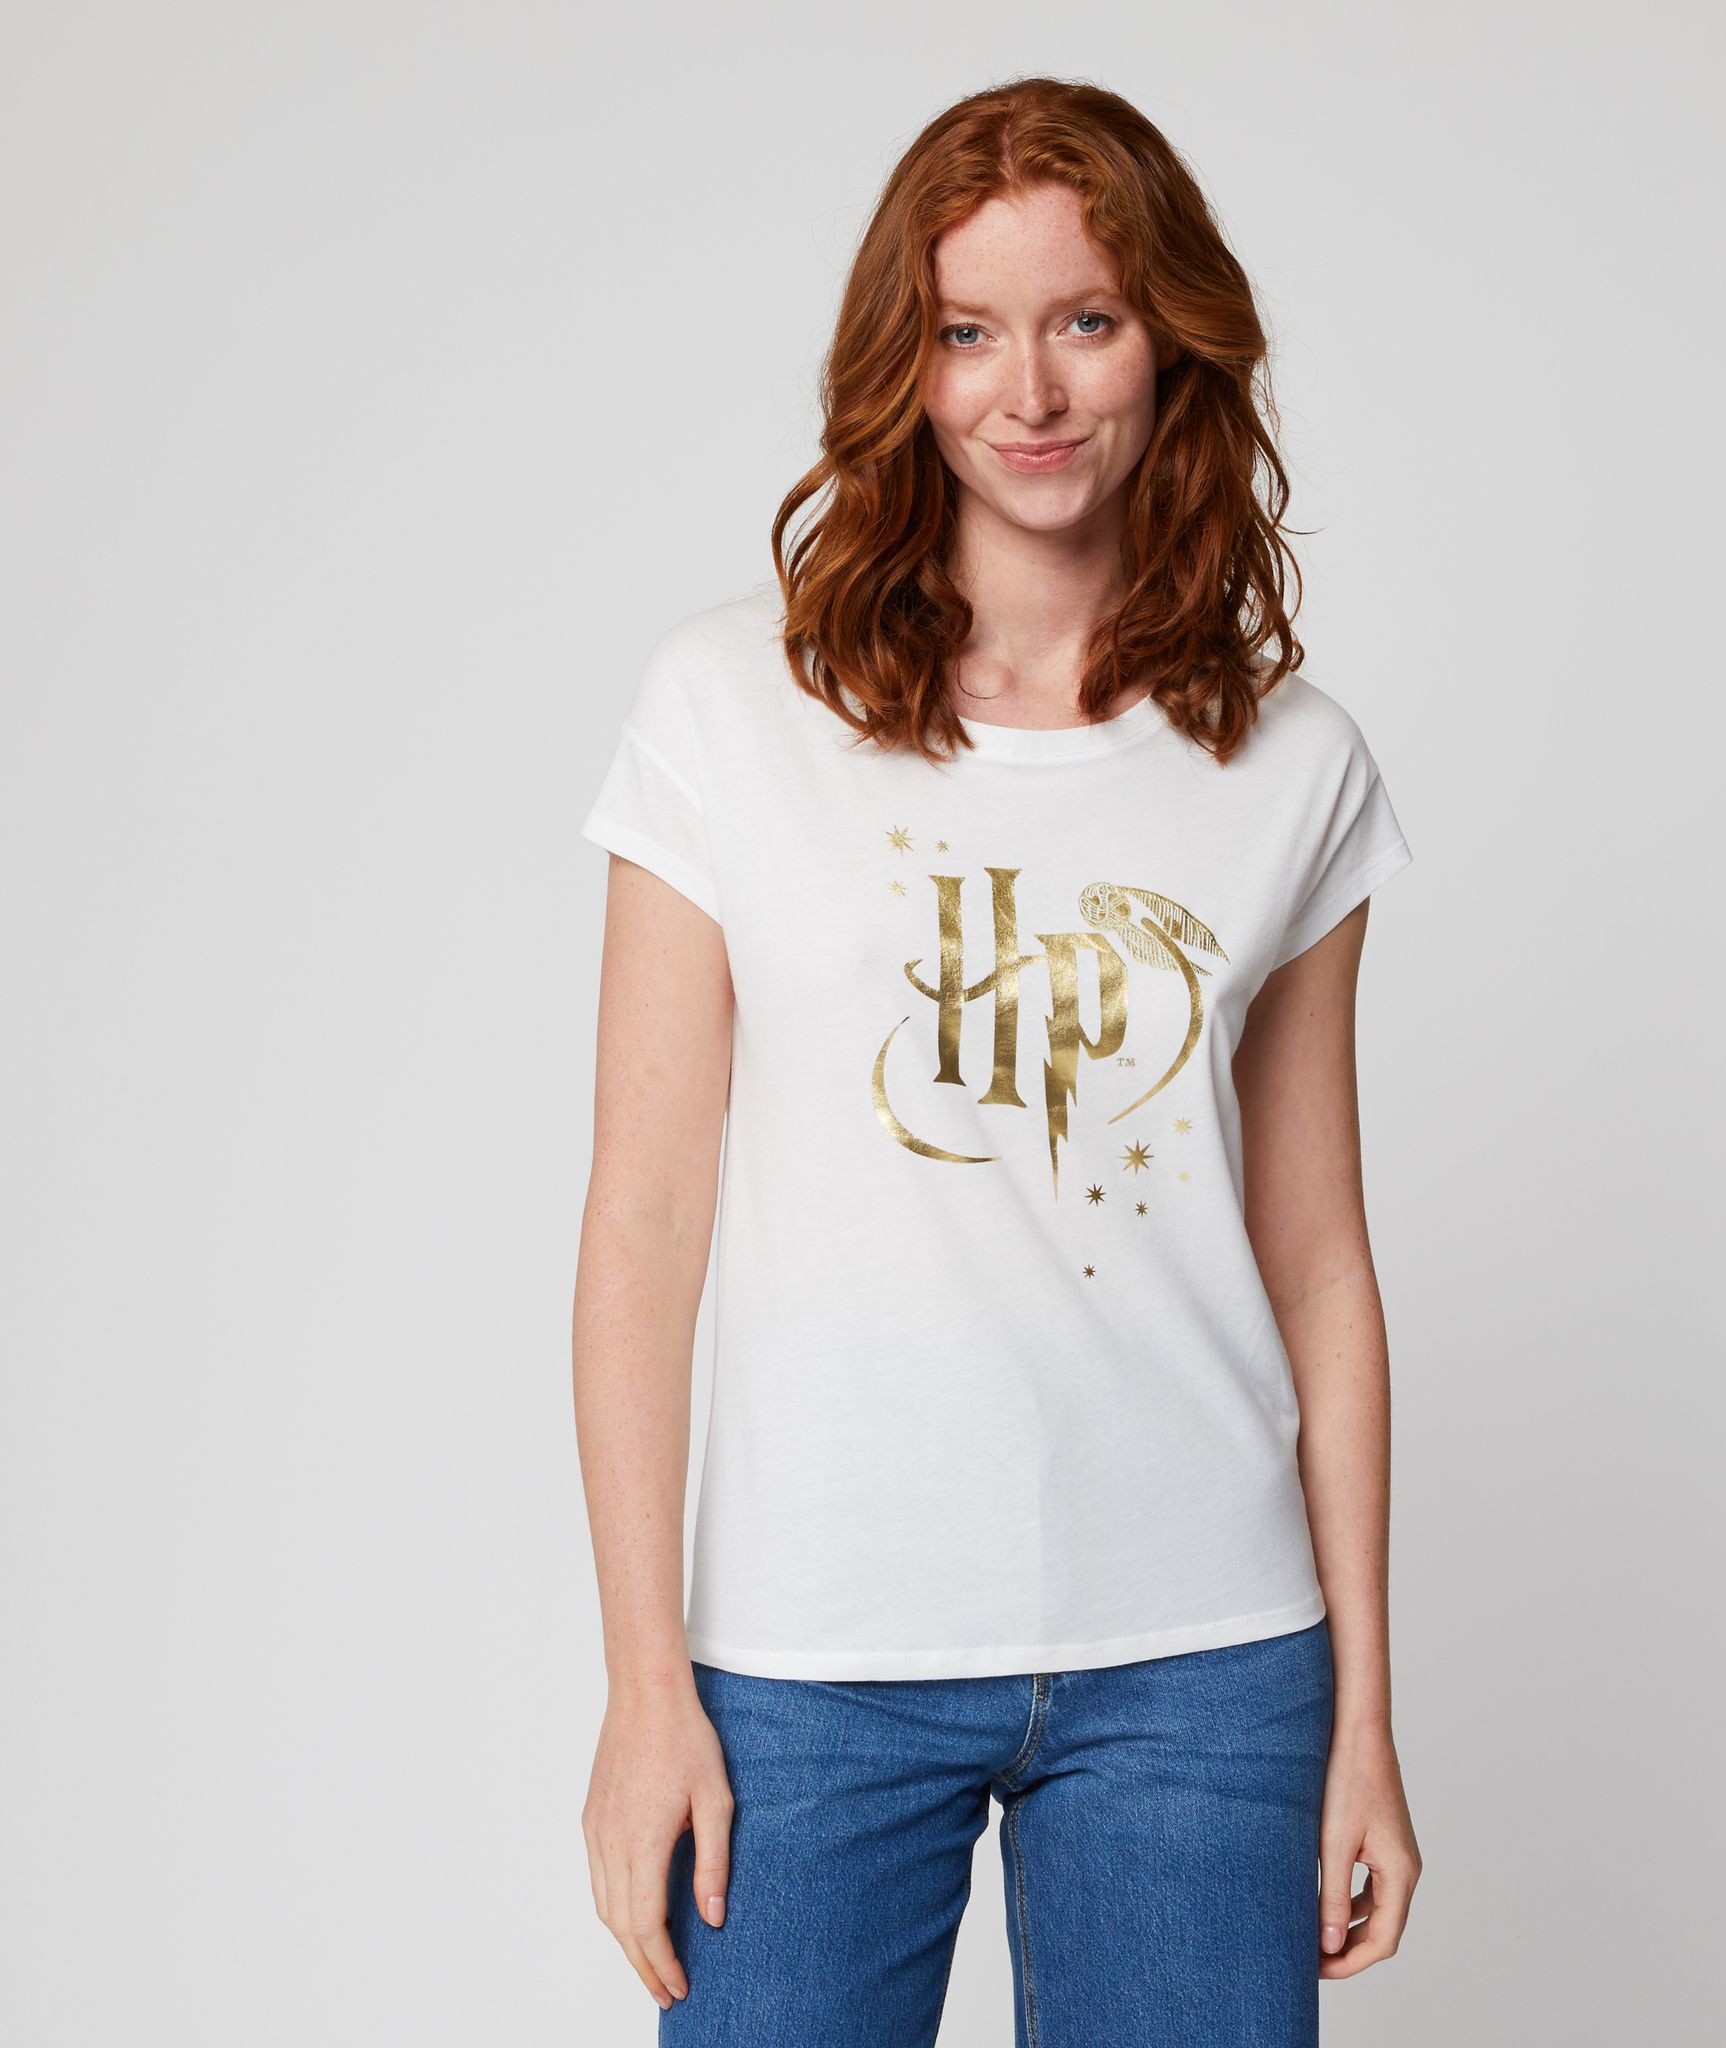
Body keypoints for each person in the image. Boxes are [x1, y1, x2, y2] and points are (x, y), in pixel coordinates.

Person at [572, 75, 1423, 2047]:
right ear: (909, 364)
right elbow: (644, 1220)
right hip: (811, 1654)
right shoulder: (728, 710)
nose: (1027, 391)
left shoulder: (1288, 764)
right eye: (968, 330)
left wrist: (1367, 1717)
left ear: (1169, 340)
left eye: (1084, 321)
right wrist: (642, 1684)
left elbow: (1319, 1265)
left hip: (1204, 1666)